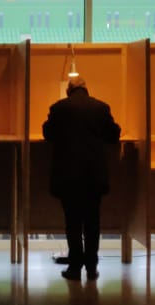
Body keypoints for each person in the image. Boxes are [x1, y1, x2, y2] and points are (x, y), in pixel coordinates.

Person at [42, 77, 121, 281]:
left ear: (69, 90)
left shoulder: (59, 108)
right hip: (93, 175)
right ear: (86, 89)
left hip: (68, 175)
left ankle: (75, 267)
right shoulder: (101, 108)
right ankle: (92, 268)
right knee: (92, 222)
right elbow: (114, 135)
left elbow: (47, 133)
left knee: (73, 222)